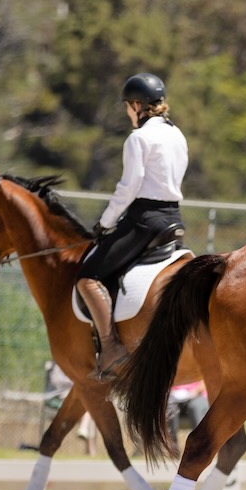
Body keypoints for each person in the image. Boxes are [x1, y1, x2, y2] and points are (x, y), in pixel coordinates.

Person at [76, 72, 188, 379]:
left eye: (128, 106)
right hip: (174, 218)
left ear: (137, 105)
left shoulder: (138, 138)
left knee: (87, 276)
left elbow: (128, 188)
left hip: (144, 220)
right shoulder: (177, 135)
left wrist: (104, 222)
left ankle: (111, 346)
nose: (128, 112)